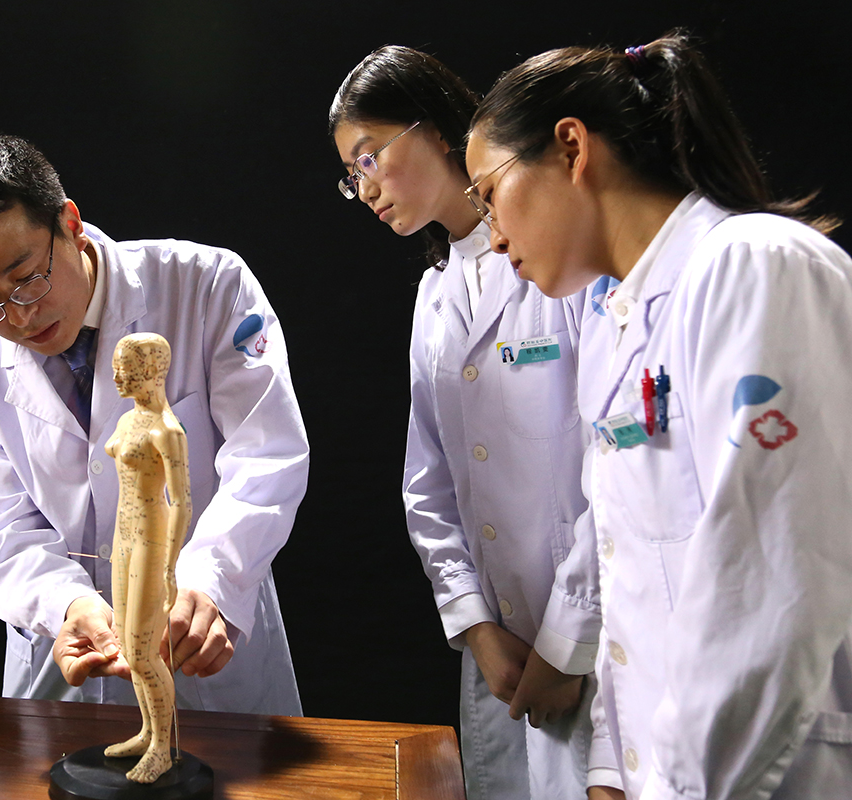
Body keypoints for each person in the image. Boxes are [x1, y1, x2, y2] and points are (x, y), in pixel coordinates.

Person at [465, 29, 852, 800]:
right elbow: (633, 575)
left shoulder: (752, 266)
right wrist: (613, 770)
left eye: (489, 194)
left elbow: (773, 587)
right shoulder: (613, 323)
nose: (493, 237)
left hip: (766, 773)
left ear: (571, 148)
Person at [0, 135, 308, 716]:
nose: (21, 315)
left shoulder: (205, 284)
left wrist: (213, 577)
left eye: (27, 277)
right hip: (67, 654)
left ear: (70, 224)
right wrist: (66, 603)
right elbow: (3, 529)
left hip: (200, 623)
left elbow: (265, 455)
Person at [329, 46, 609, 799]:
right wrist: (476, 625)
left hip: (595, 637)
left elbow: (616, 468)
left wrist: (566, 641)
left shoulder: (566, 264)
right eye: (351, 174)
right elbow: (428, 484)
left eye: (370, 157)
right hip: (499, 653)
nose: (365, 187)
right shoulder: (435, 295)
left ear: (435, 128)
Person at [103, 333, 189, 784]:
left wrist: (172, 566)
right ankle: (146, 731)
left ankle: (162, 747)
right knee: (126, 644)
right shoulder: (127, 419)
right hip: (123, 537)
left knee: (142, 653)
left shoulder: (167, 431)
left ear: (154, 371)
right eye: (117, 368)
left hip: (151, 543)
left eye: (128, 369)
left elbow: (182, 503)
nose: (118, 377)